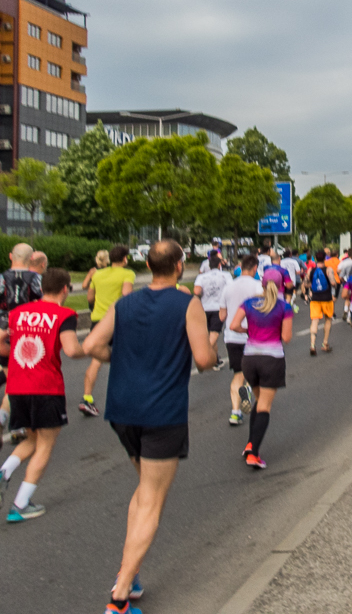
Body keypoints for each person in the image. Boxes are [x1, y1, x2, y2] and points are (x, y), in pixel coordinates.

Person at [82, 239, 216, 614]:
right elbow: (204, 359)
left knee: (144, 490)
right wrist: (213, 353)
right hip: (162, 413)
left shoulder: (126, 303)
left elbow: (92, 344)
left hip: (122, 410)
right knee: (153, 500)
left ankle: (132, 572)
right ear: (178, 266)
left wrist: (118, 355)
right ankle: (120, 595)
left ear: (147, 266)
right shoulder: (186, 303)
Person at [0, 268, 86, 521]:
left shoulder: (18, 313)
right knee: (46, 444)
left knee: (32, 439)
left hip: (16, 386)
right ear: (64, 289)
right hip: (45, 387)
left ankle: (4, 471)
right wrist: (90, 348)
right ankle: (21, 504)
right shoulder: (64, 314)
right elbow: (71, 350)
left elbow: (1, 342)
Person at [230, 269, 293, 470]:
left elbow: (233, 325)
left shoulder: (248, 303)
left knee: (258, 402)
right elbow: (286, 337)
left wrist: (249, 331)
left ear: (262, 284)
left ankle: (250, 443)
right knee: (264, 406)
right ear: (282, 285)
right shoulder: (284, 306)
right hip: (271, 359)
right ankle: (254, 454)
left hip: (249, 358)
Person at [80, 245, 136, 417]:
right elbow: (126, 295)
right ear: (125, 258)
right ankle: (128, 399)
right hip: (117, 319)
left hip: (97, 320)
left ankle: (87, 398)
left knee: (96, 361)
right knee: (127, 358)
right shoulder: (128, 274)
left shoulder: (97, 274)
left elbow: (90, 296)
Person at [0, 243, 43, 436]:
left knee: (11, 377)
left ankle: (13, 421)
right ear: (32, 258)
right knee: (23, 380)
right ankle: (16, 423)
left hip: (3, 330)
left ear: (10, 256)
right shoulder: (36, 279)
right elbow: (43, 303)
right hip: (27, 331)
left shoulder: (1, 278)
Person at [219, 254, 262, 426]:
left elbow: (222, 315)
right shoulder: (259, 287)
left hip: (232, 337)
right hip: (252, 336)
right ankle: (249, 390)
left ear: (240, 267)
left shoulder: (228, 287)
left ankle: (235, 413)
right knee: (256, 372)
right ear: (255, 269)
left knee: (238, 374)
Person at [192, 254, 232, 370]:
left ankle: (216, 360)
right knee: (214, 334)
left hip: (204, 308)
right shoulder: (225, 275)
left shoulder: (202, 277)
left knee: (210, 333)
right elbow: (230, 288)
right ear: (220, 265)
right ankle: (203, 355)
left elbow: (197, 291)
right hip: (219, 307)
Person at [308, 251, 337, 356]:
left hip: (315, 299)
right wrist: (334, 285)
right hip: (327, 298)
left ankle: (312, 345)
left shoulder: (311, 270)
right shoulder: (328, 270)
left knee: (314, 321)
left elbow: (307, 283)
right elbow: (333, 283)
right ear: (325, 258)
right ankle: (325, 343)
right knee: (328, 320)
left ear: (315, 258)